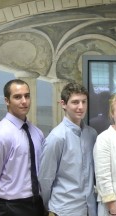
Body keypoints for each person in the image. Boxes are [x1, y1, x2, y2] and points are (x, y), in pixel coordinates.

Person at [0, 79, 46, 215]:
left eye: (27, 96)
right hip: (9, 207)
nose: (24, 101)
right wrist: (0, 203)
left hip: (36, 204)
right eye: (17, 97)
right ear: (7, 101)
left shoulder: (37, 133)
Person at [39, 82, 98, 216]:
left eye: (84, 102)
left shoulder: (92, 134)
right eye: (75, 102)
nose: (81, 107)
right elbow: (45, 179)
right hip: (64, 209)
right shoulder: (56, 137)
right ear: (63, 104)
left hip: (90, 208)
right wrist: (50, 207)